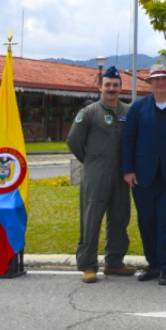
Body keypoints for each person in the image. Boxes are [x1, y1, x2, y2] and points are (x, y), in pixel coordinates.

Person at [121, 63, 166, 286]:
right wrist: (128, 170)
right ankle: (152, 264)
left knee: (165, 221)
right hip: (143, 175)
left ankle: (165, 267)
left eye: (164, 79)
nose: (160, 83)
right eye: (156, 79)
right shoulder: (138, 107)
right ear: (150, 83)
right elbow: (128, 140)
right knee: (146, 220)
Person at [66, 66, 135, 283]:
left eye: (115, 85)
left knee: (120, 217)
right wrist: (92, 160)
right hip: (96, 173)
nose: (112, 89)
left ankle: (114, 262)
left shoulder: (128, 112)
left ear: (121, 87)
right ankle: (88, 265)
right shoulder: (88, 113)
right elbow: (74, 142)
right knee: (91, 219)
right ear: (100, 87)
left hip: (121, 174)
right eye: (108, 85)